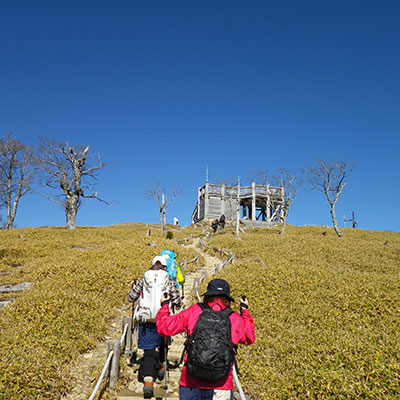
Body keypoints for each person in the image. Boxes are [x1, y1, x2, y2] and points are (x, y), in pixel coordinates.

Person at [156, 278, 255, 400]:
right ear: (227, 298)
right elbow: (249, 337)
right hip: (221, 385)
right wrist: (244, 311)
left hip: (191, 382)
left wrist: (164, 306)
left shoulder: (195, 310)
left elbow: (165, 328)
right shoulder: (233, 317)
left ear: (208, 295)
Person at [128, 255, 183, 398]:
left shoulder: (144, 277)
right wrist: (177, 304)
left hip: (146, 319)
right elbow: (177, 300)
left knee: (148, 351)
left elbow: (131, 297)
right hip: (163, 316)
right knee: (164, 341)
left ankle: (148, 382)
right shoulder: (168, 279)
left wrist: (134, 289)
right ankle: (161, 365)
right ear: (164, 267)